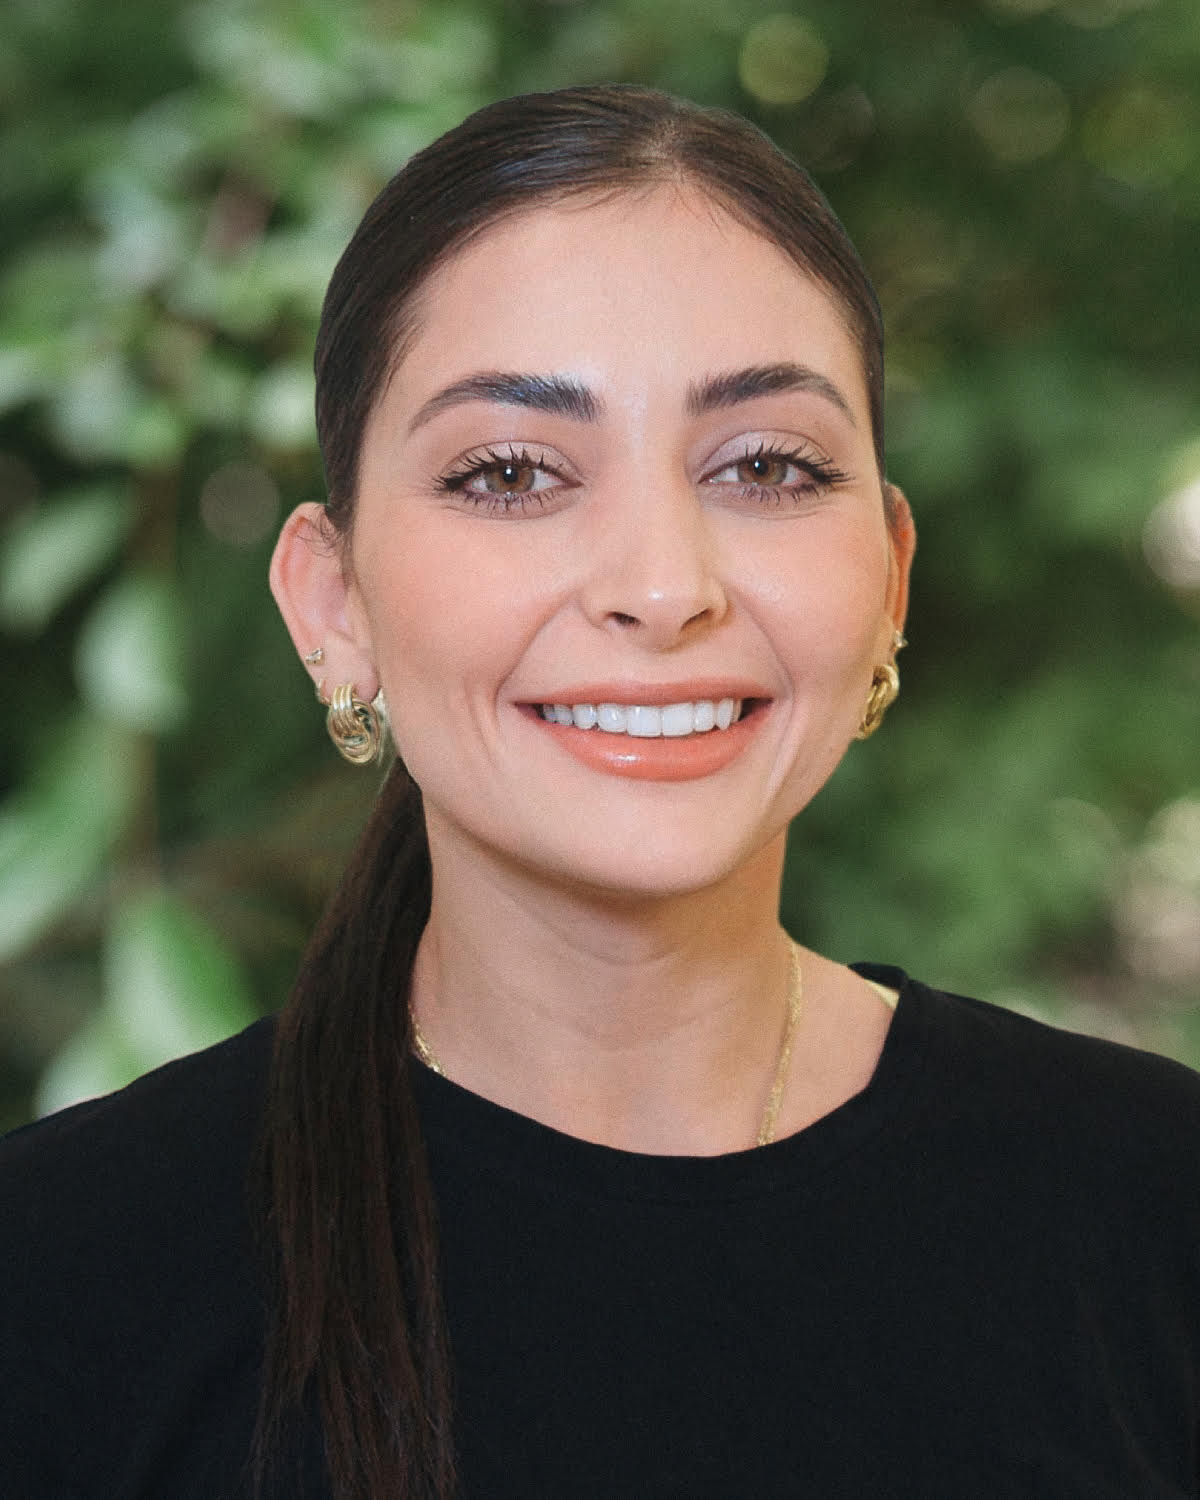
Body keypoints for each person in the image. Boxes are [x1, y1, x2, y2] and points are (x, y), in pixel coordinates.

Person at [1, 84, 1198, 1500]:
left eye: (765, 466)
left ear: (889, 581)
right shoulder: (55, 1281)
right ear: (335, 604)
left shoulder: (1153, 1204)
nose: (661, 587)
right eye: (511, 471)